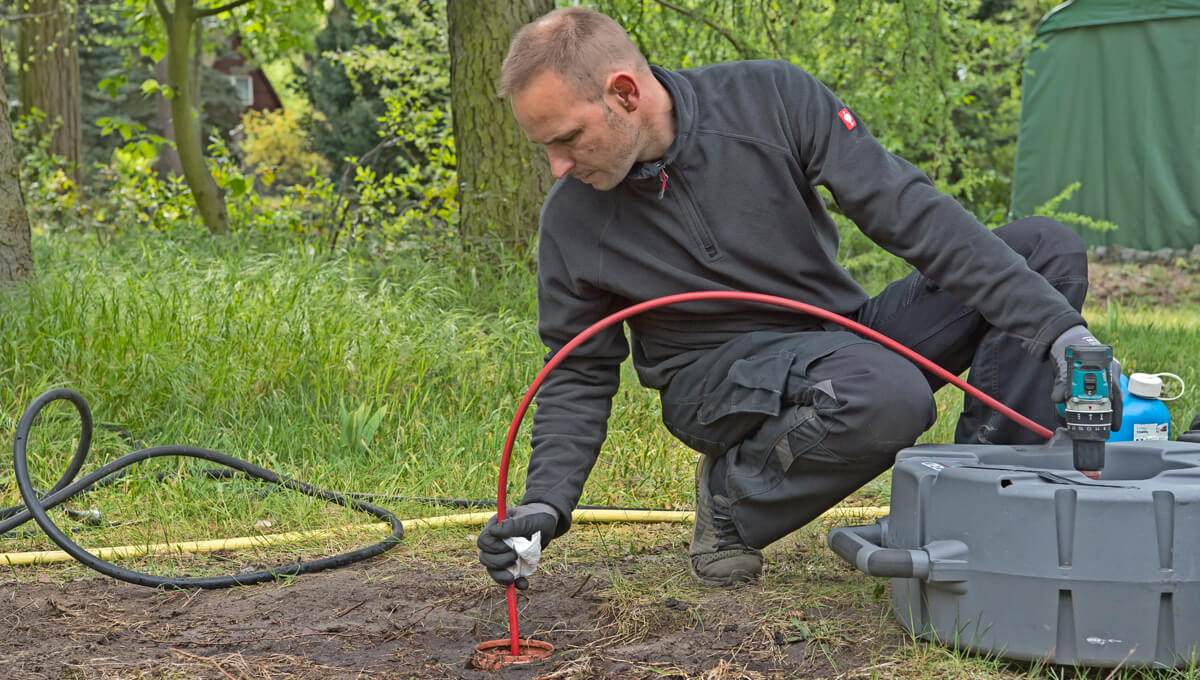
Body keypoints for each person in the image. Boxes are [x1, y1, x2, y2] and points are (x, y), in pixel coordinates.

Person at [476, 7, 1120, 588]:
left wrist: (1063, 333)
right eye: (546, 148)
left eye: (565, 139)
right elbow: (577, 370)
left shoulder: (771, 99)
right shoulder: (572, 218)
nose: (558, 167)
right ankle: (733, 498)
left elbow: (913, 215)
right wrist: (545, 504)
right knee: (886, 395)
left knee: (1046, 250)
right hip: (714, 380)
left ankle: (994, 506)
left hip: (840, 338)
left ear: (624, 93)